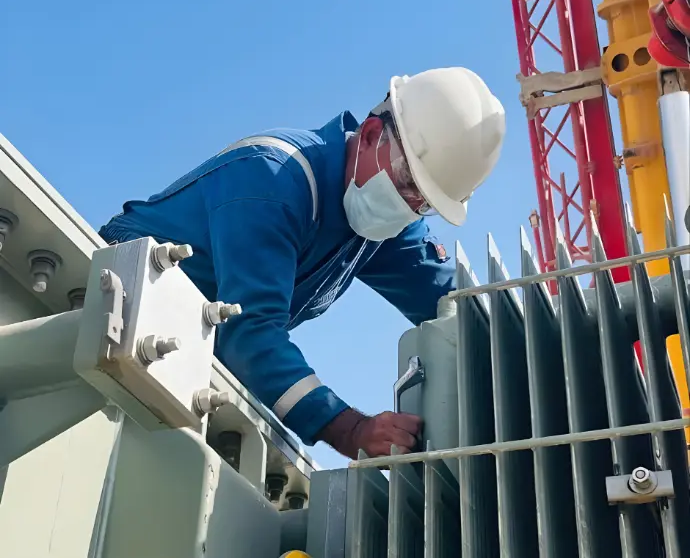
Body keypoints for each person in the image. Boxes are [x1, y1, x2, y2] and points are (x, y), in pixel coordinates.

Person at [99, 67, 506, 460]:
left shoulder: (386, 217)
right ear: (370, 135)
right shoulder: (271, 179)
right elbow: (250, 332)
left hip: (190, 353)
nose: (409, 205)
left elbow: (457, 306)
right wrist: (351, 429)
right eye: (407, 181)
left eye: (426, 203)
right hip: (114, 307)